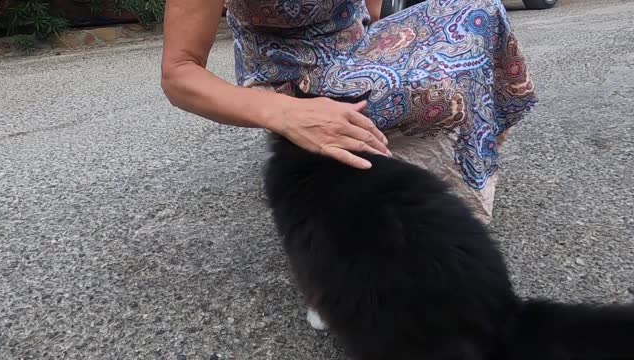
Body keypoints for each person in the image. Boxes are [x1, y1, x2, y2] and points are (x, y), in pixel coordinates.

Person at [161, 0, 538, 224]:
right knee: (430, 88)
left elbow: (372, 12)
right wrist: (282, 112)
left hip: (355, 45)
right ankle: (362, 228)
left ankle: (457, 174)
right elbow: (179, 73)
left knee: (480, 11)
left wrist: (392, 47)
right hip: (289, 67)